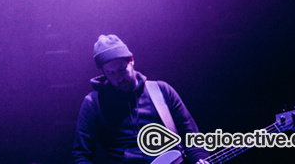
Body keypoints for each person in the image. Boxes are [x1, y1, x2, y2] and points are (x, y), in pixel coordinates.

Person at [73, 34, 210, 164]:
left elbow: (191, 136)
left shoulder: (162, 91)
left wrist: (200, 158)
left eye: (122, 69)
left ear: (131, 60)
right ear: (103, 72)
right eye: (111, 73)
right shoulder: (94, 103)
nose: (119, 78)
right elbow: (82, 154)